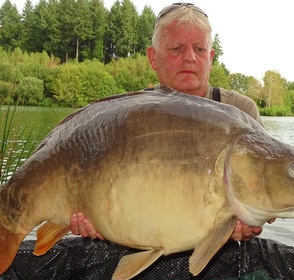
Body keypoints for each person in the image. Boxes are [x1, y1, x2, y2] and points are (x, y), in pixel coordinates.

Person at [69, 3, 274, 242]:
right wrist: (100, 220)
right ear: (153, 57)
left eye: (199, 49)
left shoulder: (242, 112)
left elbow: (268, 195)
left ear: (210, 58)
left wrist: (248, 221)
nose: (189, 58)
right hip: (143, 241)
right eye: (177, 49)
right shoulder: (128, 117)